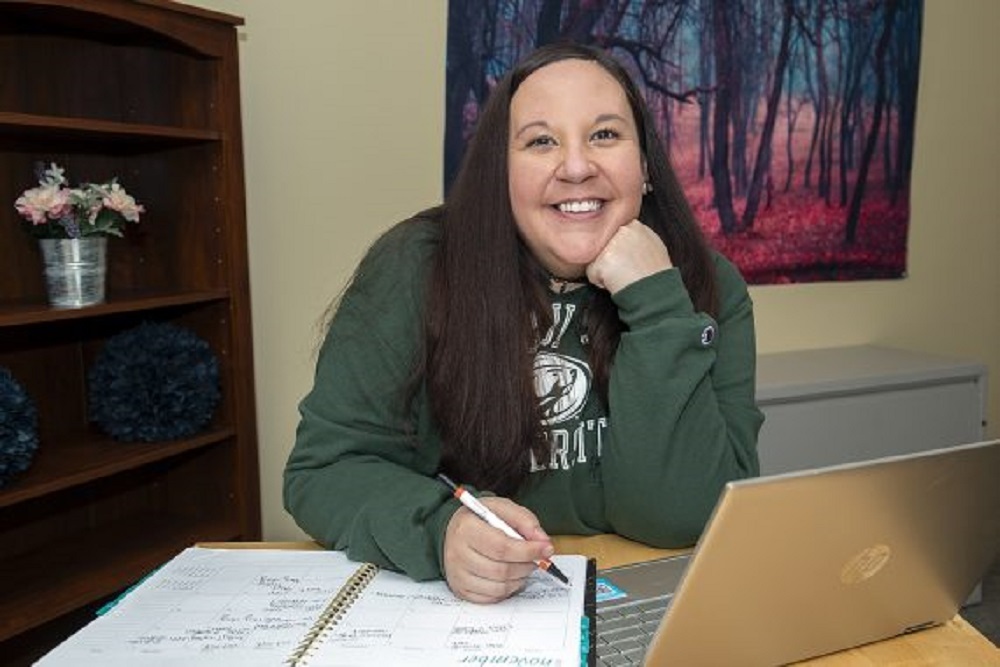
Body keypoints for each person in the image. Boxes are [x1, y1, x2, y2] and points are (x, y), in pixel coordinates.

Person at [284, 41, 764, 604]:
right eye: (541, 141)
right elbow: (324, 471)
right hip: (457, 611)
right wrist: (440, 532)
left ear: (646, 166)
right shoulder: (413, 267)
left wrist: (656, 304)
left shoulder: (708, 285)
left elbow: (681, 516)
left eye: (605, 135)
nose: (578, 167)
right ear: (500, 174)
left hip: (648, 595)